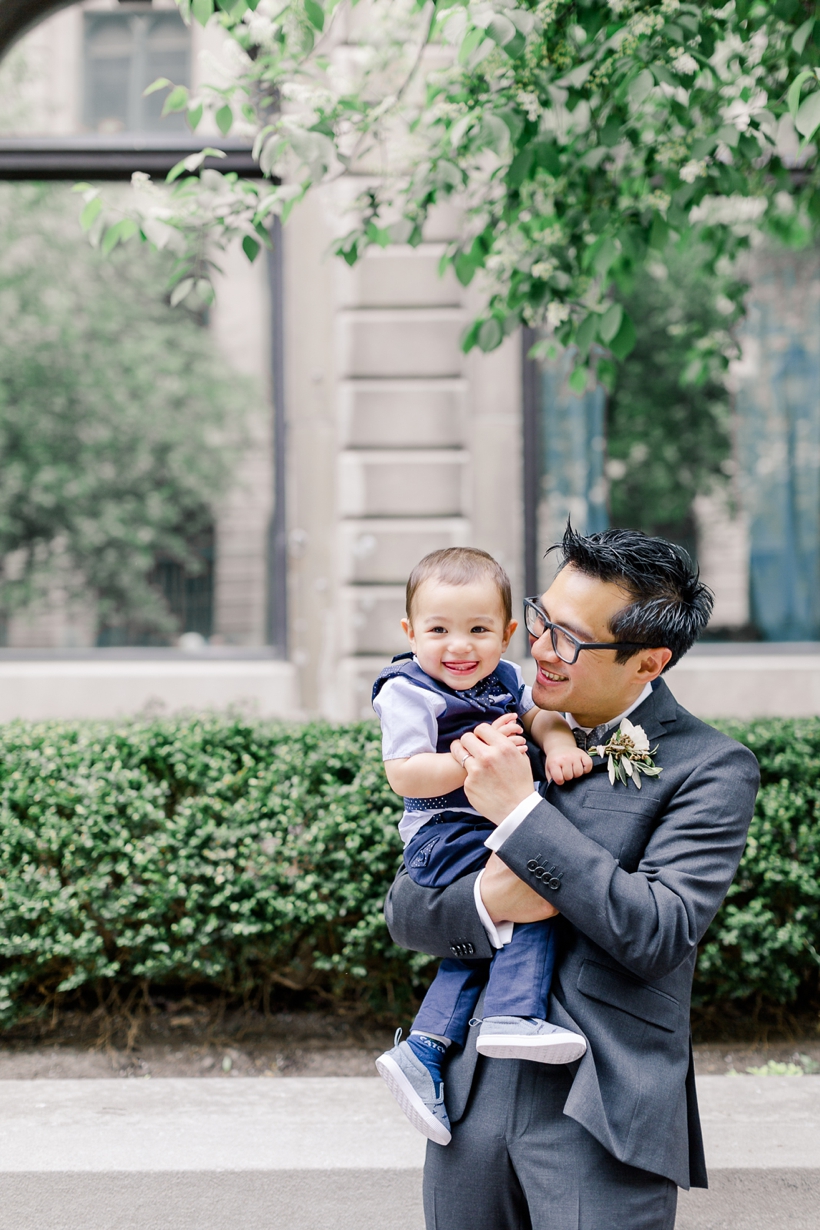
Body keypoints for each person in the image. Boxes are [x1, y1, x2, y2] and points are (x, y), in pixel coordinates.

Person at [384, 525, 760, 1230]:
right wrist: (487, 900)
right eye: (540, 618)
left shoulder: (709, 767)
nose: (540, 646)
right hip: (464, 1102)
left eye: (570, 638)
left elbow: (657, 931)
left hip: (603, 1111)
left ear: (648, 663)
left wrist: (521, 814)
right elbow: (406, 911)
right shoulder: (493, 721)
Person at [372, 547, 589, 1146]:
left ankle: (423, 1050)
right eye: (438, 630)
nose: (459, 646)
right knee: (535, 880)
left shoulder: (508, 680)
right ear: (410, 632)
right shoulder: (408, 692)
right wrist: (468, 757)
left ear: (508, 634)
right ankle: (513, 1013)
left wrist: (562, 741)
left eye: (478, 630)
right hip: (442, 833)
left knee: (493, 922)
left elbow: (541, 718)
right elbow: (405, 775)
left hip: (487, 822)